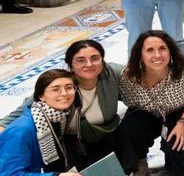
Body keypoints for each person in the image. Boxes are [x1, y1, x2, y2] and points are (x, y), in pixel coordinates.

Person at [0, 40, 125, 168]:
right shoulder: (60, 84)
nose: (89, 64)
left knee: (118, 171)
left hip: (106, 133)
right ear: (71, 65)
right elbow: (13, 117)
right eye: (81, 60)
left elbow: (140, 76)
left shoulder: (112, 73)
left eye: (95, 58)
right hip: (71, 141)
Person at [116, 31, 184, 176]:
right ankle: (139, 169)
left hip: (180, 114)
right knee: (128, 127)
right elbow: (126, 104)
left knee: (178, 175)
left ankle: (183, 155)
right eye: (149, 50)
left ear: (170, 51)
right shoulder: (128, 77)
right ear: (140, 54)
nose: (157, 55)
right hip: (148, 115)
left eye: (162, 48)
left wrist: (183, 121)